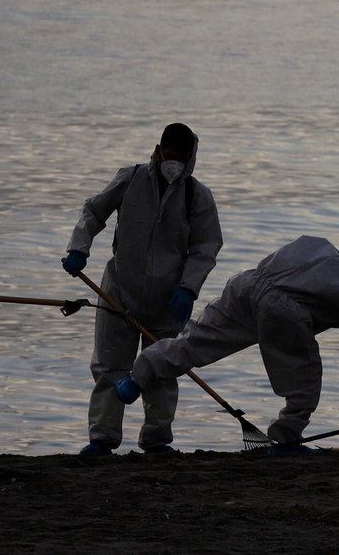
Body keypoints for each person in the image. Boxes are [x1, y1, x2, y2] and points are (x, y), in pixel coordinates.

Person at [119, 235, 339, 447]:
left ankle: (136, 378)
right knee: (304, 381)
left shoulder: (320, 247)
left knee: (194, 343)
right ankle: (286, 439)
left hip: (246, 286)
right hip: (283, 311)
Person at [61, 122, 223, 456]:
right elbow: (94, 211)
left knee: (163, 370)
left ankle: (157, 440)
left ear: (192, 158)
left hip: (169, 300)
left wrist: (189, 289)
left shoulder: (197, 197)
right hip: (117, 292)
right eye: (169, 153)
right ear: (159, 150)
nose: (174, 161)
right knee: (109, 366)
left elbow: (206, 247)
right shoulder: (131, 178)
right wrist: (79, 247)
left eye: (182, 156)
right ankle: (102, 439)